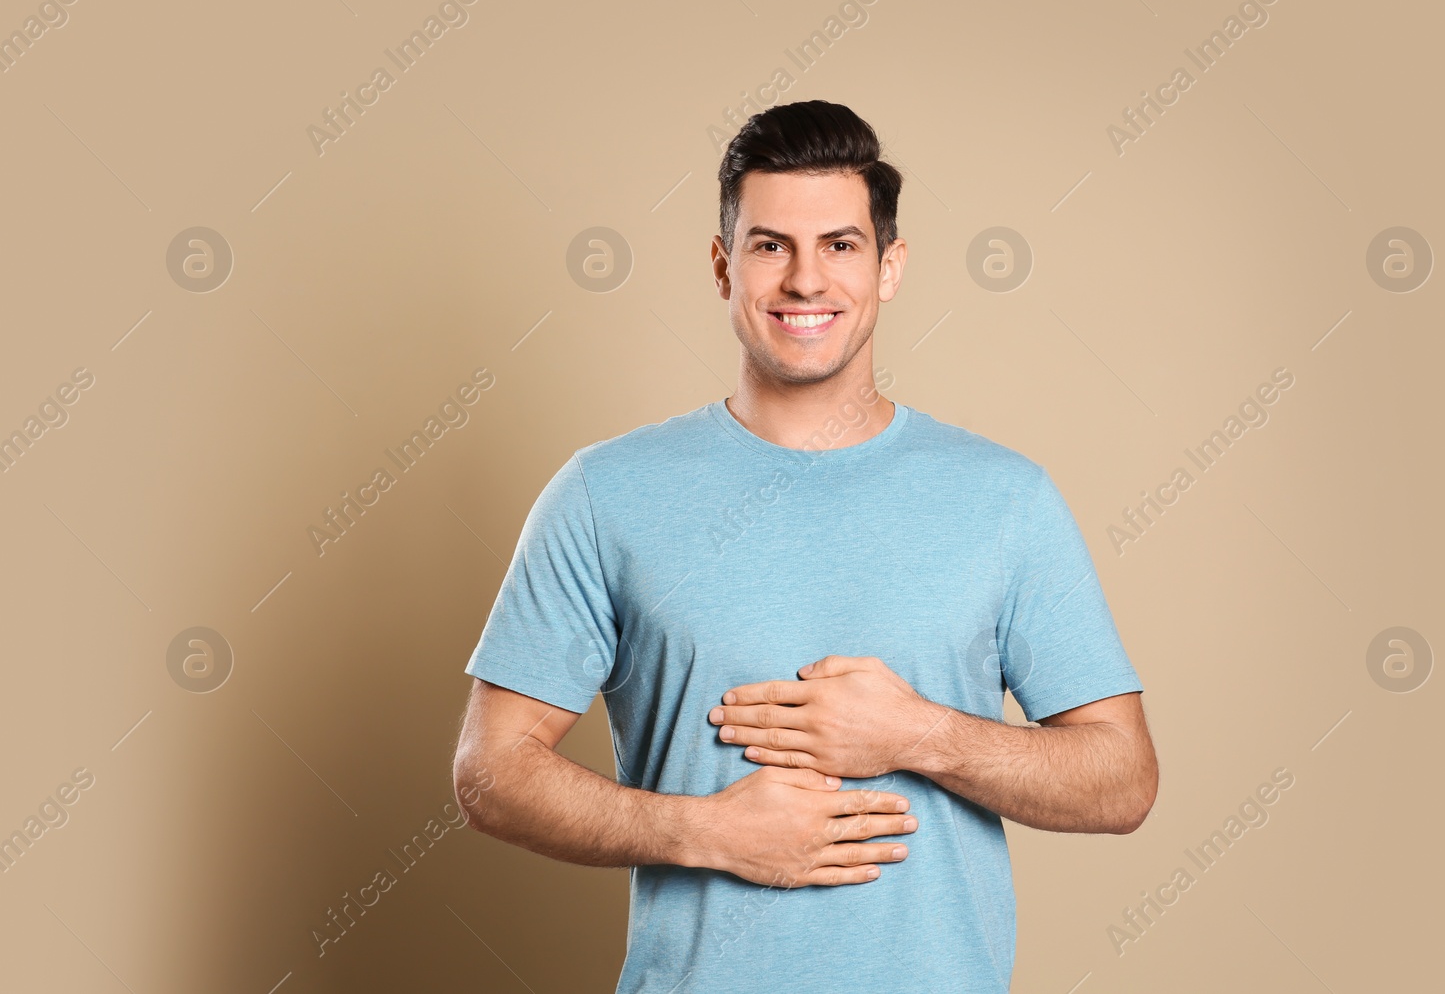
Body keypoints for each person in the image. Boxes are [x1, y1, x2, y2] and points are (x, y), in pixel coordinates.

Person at [451, 99, 1158, 993]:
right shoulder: (605, 493)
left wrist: (919, 733)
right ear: (723, 267)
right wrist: (704, 830)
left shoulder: (1004, 498)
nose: (805, 280)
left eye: (840, 244)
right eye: (770, 245)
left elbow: (1123, 778)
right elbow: (490, 771)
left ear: (889, 265)